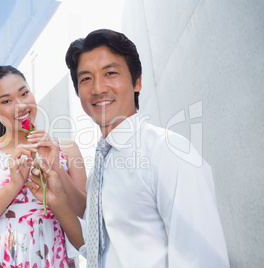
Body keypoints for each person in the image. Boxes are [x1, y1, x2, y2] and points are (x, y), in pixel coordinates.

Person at [27, 29, 230, 267]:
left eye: (110, 73)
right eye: (86, 79)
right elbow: (96, 248)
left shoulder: (167, 151)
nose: (98, 88)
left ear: (137, 81)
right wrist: (57, 183)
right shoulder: (101, 168)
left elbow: (202, 258)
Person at [0, 65, 87, 267]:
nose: (21, 106)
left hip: (52, 258)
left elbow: (85, 216)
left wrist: (56, 168)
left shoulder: (67, 149)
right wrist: (12, 185)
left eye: (24, 93)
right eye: (6, 101)